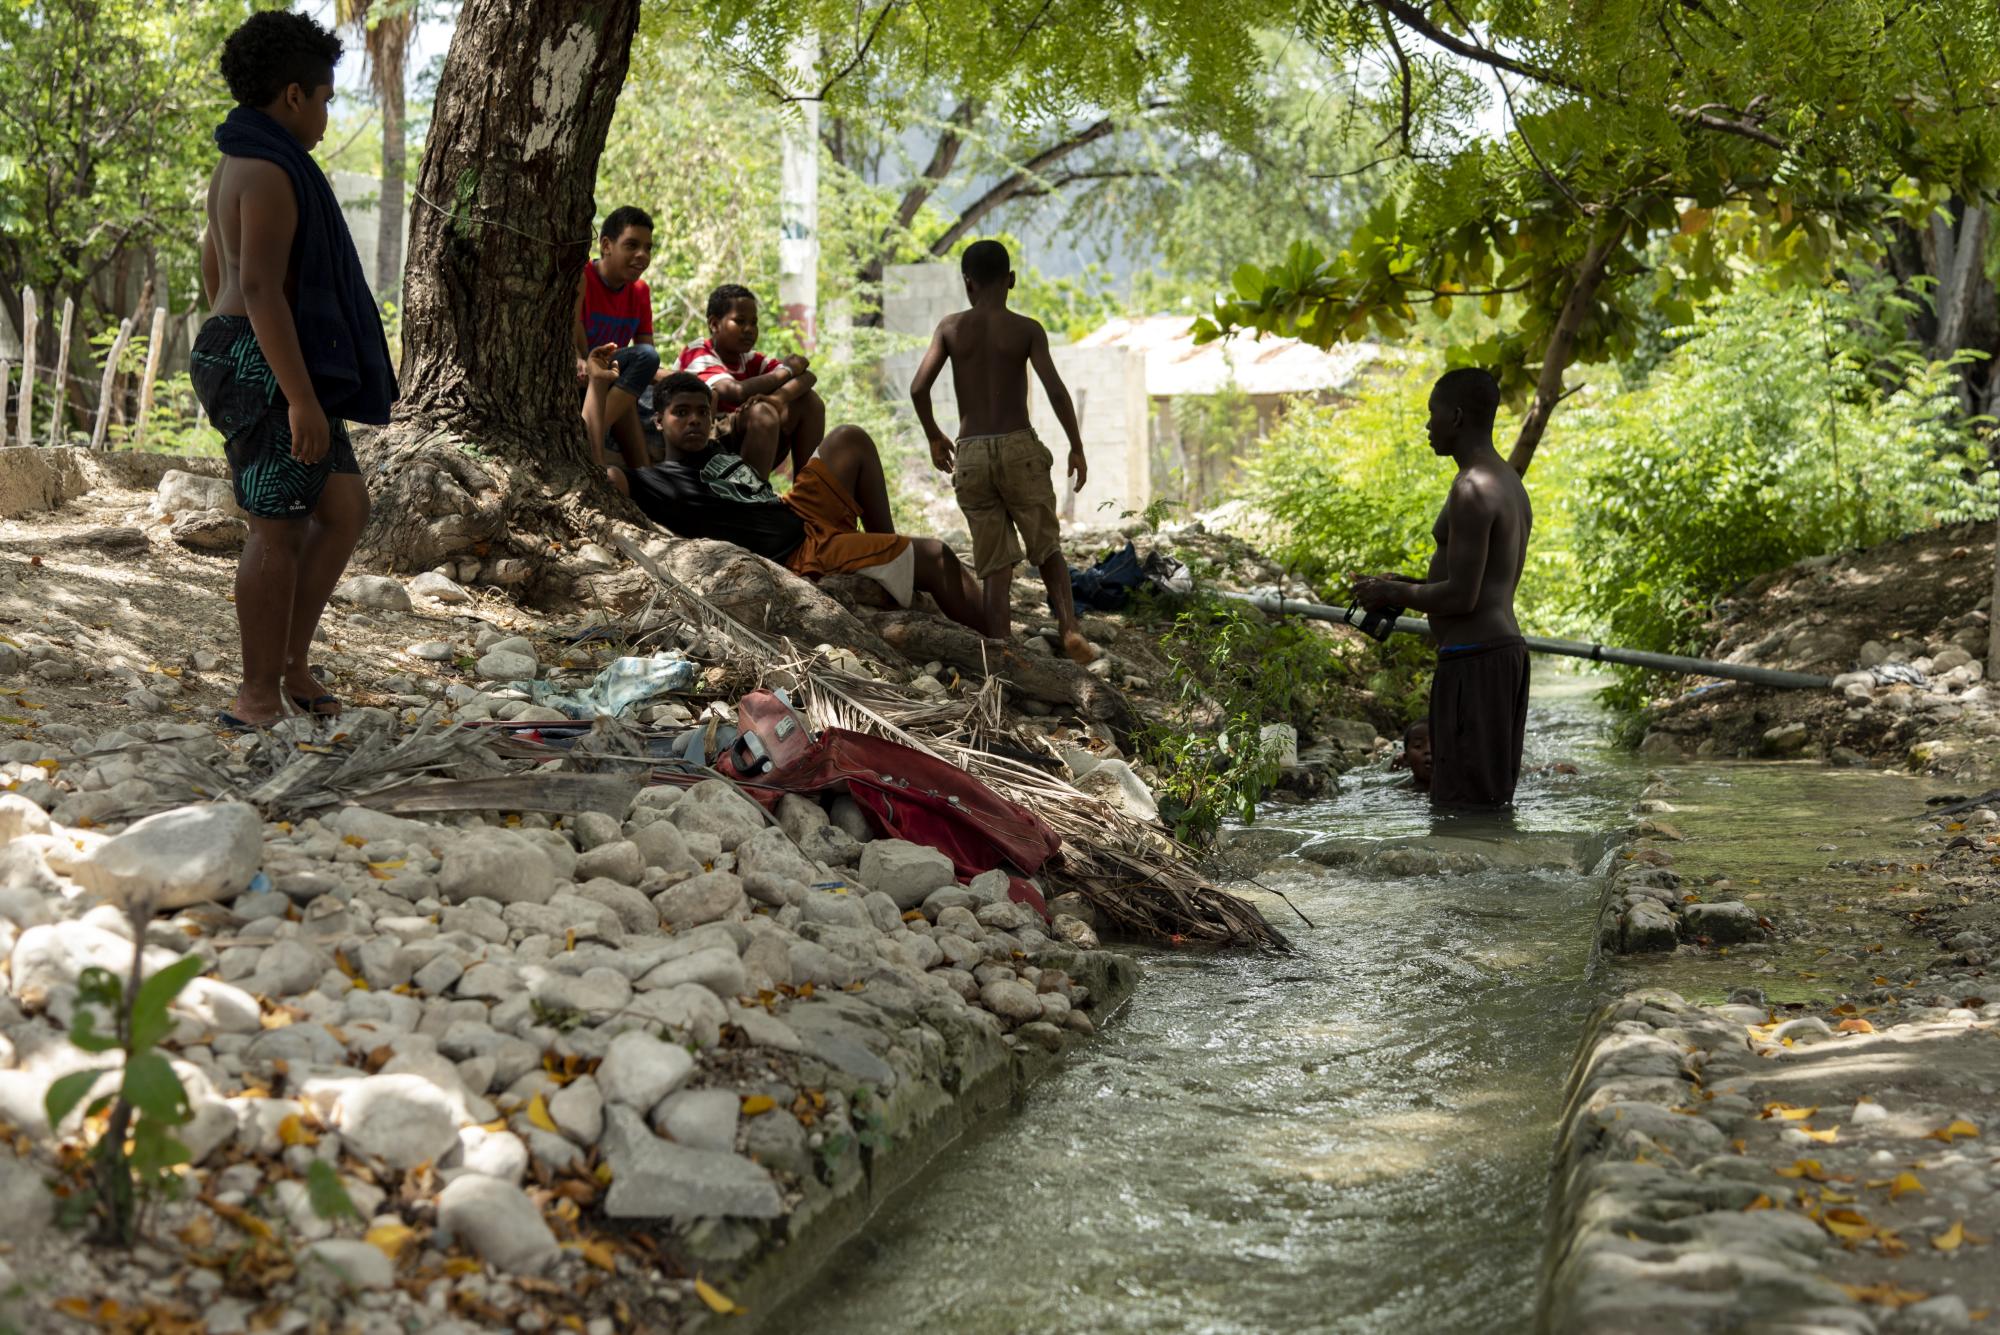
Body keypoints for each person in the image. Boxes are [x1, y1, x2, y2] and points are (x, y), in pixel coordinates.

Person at [195, 11, 396, 729]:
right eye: (326, 99)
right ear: (292, 96)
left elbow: (212, 260)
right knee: (274, 528)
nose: (326, 114)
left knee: (344, 510)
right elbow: (253, 289)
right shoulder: (267, 170)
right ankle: (255, 695)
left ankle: (291, 660)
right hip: (262, 358)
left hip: (266, 351)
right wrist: (300, 396)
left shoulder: (240, 156)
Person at [605, 370, 987, 632]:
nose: (694, 421)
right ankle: (998, 640)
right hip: (800, 553)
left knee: (849, 438)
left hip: (796, 511)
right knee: (937, 556)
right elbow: (597, 477)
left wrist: (778, 382)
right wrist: (596, 389)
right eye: (681, 413)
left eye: (702, 412)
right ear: (658, 421)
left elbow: (799, 391)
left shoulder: (714, 448)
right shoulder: (655, 481)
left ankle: (887, 551)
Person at [909, 239, 1098, 663]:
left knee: (993, 562)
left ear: (968, 284)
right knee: (1047, 546)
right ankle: (1069, 628)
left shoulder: (950, 327)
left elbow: (918, 388)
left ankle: (1000, 650)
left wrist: (934, 435)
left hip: (971, 453)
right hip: (1018, 447)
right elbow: (1055, 389)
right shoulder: (1027, 329)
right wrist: (1076, 446)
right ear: (1011, 280)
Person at [1351, 368, 1533, 808]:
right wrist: (1407, 584)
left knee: (1461, 804)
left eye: (1431, 415)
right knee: (1487, 798)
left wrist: (1392, 595)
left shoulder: (1471, 488)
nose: (1427, 426)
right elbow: (1481, 584)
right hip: (1497, 655)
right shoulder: (1507, 481)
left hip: (1475, 663)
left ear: (1455, 416)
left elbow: (1462, 598)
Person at [677, 284, 825, 479]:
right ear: (714, 324)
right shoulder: (697, 352)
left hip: (743, 439)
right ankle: (751, 499)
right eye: (739, 321)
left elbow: (808, 376)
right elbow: (735, 391)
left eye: (753, 323)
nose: (748, 329)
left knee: (809, 402)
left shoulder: (749, 359)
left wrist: (779, 398)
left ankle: (805, 492)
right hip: (706, 441)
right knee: (762, 412)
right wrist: (788, 370)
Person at [575, 206, 661, 471]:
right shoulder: (583, 277)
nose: (642, 255)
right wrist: (577, 359)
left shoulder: (639, 290)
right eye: (632, 245)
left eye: (648, 248)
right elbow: (572, 323)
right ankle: (587, 436)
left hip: (613, 375)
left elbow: (645, 350)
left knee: (648, 371)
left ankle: (591, 435)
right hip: (585, 371)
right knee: (643, 362)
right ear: (606, 245)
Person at [1391, 719, 1433, 793]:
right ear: (1406, 759)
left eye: (1435, 744)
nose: (1428, 750)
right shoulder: (1400, 792)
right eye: (1418, 746)